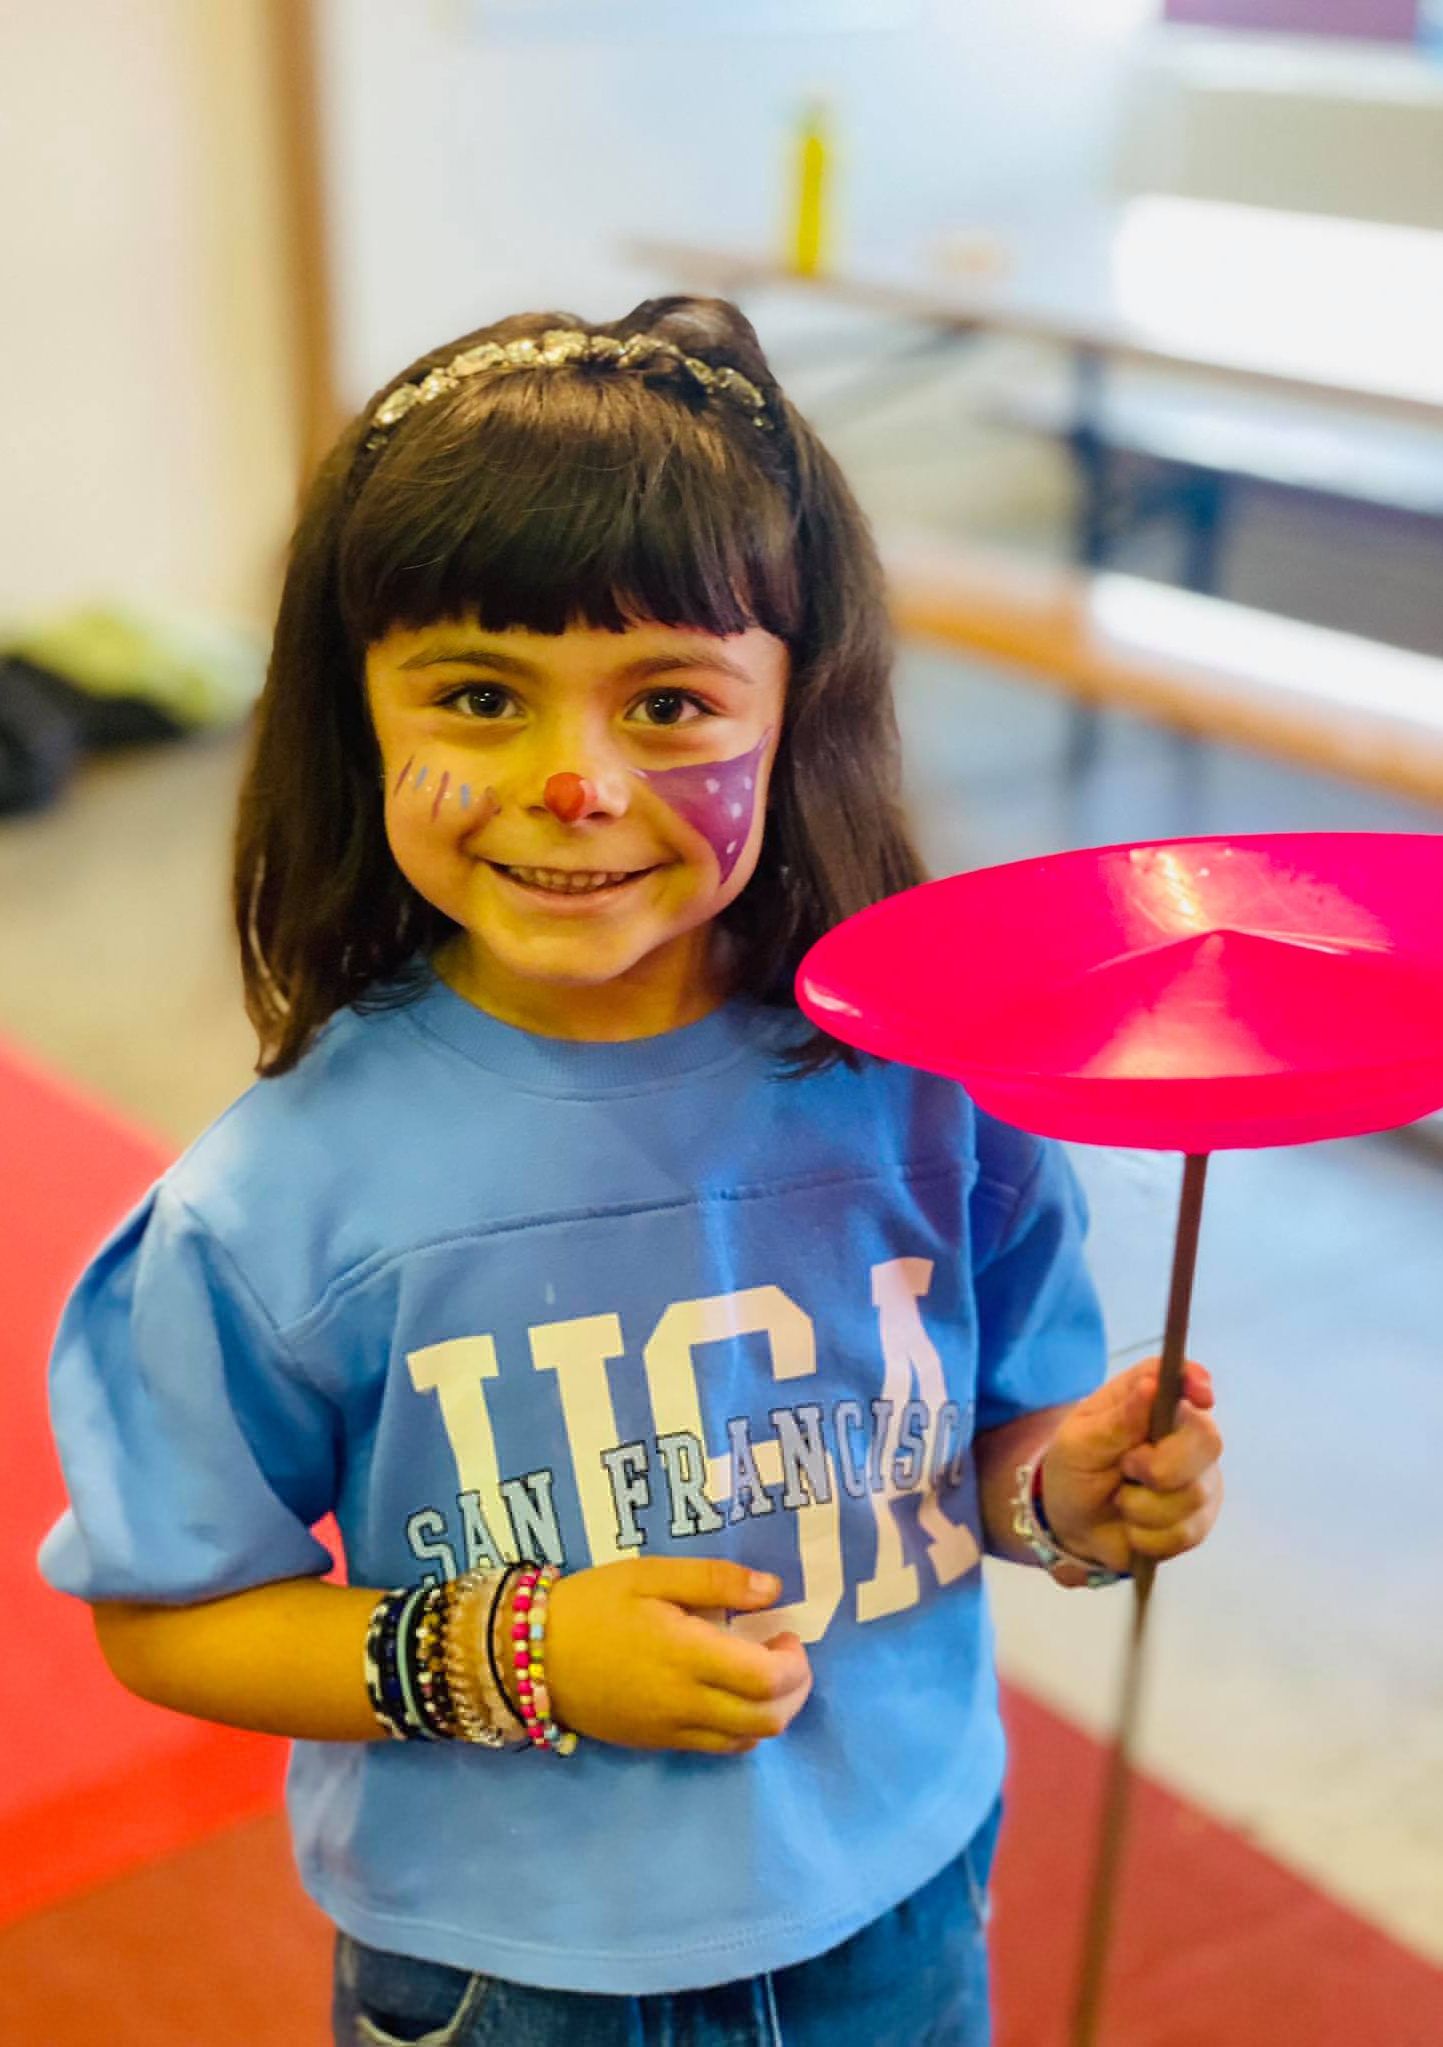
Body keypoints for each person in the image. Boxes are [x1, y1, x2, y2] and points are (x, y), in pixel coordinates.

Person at [39, 298, 1224, 2046]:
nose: (575, 783)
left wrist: (1071, 1493)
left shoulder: (933, 1094)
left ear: (800, 710)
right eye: (478, 696)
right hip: (511, 1973)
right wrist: (527, 1657)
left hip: (896, 1897)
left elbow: (991, 1459)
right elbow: (175, 1615)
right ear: (356, 715)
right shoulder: (276, 1202)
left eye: (670, 702)